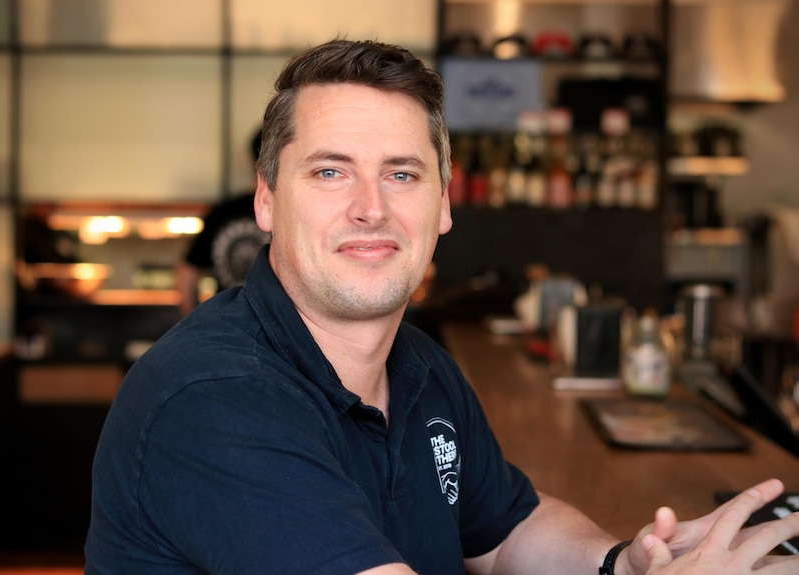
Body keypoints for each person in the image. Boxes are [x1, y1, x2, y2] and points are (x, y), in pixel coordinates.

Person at [84, 39, 799, 574]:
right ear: (267, 200)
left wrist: (621, 563)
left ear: (443, 206)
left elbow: (510, 528)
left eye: (402, 173)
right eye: (331, 171)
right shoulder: (212, 399)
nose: (372, 207)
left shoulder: (421, 366)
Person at [174, 128, 270, 316]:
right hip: (277, 330)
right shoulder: (288, 211)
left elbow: (186, 274)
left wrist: (196, 324)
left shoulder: (223, 212)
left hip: (227, 325)